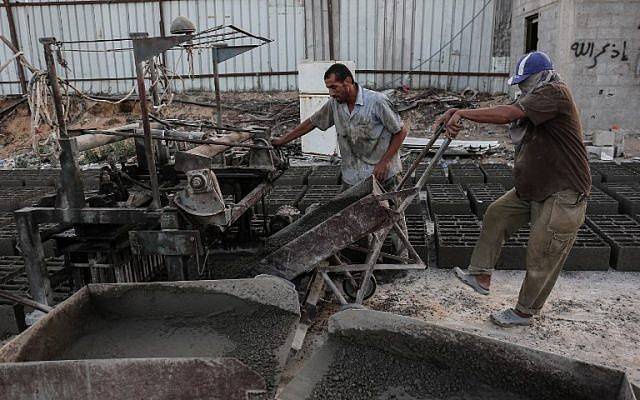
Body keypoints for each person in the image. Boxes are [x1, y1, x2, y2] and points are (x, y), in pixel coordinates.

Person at [435, 51, 591, 327]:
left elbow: (508, 114)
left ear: (541, 77)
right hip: (536, 186)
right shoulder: (536, 97)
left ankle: (524, 312)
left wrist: (463, 113)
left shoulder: (555, 93)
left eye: (525, 82)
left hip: (563, 191)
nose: (522, 88)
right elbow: (515, 111)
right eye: (519, 83)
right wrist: (455, 111)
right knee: (497, 214)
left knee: (542, 253)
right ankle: (481, 275)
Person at [271, 63, 410, 256]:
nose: (331, 93)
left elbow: (400, 131)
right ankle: (363, 257)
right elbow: (311, 123)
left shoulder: (377, 101)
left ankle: (402, 258)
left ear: (348, 82)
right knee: (351, 219)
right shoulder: (335, 105)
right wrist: (282, 140)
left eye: (334, 87)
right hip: (353, 176)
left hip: (383, 174)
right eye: (328, 88)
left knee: (393, 216)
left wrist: (384, 162)